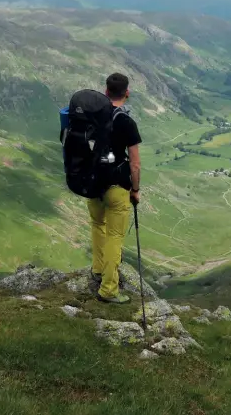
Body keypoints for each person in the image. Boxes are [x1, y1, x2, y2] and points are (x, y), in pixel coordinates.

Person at [87, 73, 142, 304]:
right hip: (117, 187)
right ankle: (109, 289)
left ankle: (98, 270)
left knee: (98, 224)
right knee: (115, 236)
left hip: (92, 183)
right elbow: (135, 163)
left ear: (106, 91)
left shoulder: (92, 115)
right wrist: (135, 190)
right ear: (126, 93)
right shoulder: (126, 122)